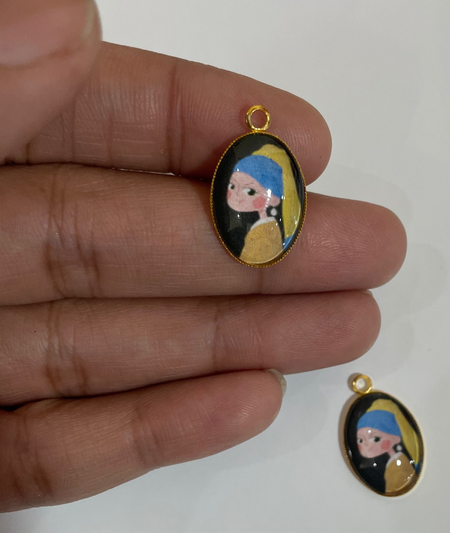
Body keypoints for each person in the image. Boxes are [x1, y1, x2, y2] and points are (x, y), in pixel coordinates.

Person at [0, 0, 406, 512]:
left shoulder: (266, 237)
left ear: (269, 199)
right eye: (233, 185)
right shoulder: (248, 236)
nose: (234, 193)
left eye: (245, 188)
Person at [227, 144, 301, 264]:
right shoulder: (252, 229)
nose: (236, 195)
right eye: (232, 186)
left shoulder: (265, 236)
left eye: (250, 191)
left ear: (273, 199)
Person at [356, 399, 421, 494]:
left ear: (396, 438)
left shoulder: (399, 470)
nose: (366, 444)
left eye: (376, 439)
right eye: (360, 440)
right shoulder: (390, 465)